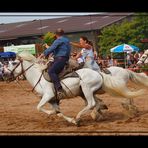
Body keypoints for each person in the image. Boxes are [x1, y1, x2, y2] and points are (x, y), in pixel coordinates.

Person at [39, 28, 71, 100]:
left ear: (56, 35)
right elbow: (57, 50)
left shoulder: (58, 40)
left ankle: (59, 89)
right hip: (65, 59)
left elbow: (52, 48)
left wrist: (43, 54)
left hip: (60, 59)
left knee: (51, 71)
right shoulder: (67, 40)